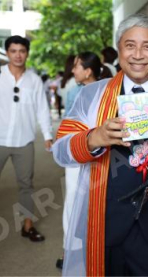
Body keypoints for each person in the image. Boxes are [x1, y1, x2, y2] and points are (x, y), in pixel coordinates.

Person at [52, 14, 148, 276]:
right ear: (119, 49)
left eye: (147, 46)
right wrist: (93, 138)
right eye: (130, 45)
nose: (138, 54)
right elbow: (60, 150)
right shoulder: (92, 95)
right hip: (103, 222)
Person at [0, 35, 53, 242]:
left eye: (22, 51)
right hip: (0, 138)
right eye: (13, 51)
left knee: (26, 184)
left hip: (24, 140)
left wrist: (48, 135)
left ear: (27, 53)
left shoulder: (34, 80)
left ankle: (28, 225)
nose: (18, 55)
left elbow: (42, 109)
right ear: (7, 53)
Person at [56, 51, 104, 269]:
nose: (73, 70)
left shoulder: (101, 92)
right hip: (79, 154)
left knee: (86, 202)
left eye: (77, 66)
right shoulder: (76, 91)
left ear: (88, 71)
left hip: (97, 154)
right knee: (75, 202)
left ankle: (84, 252)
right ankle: (73, 253)